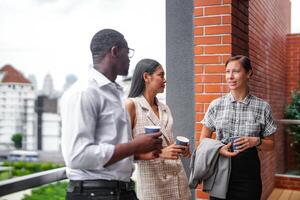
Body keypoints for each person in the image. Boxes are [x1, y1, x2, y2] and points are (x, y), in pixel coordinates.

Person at [61, 29, 163, 200]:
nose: (130, 59)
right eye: (127, 52)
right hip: (95, 193)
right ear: (115, 51)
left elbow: (112, 146)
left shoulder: (115, 92)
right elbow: (77, 156)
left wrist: (139, 152)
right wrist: (135, 146)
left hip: (120, 190)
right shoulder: (84, 92)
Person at [200, 55, 277, 200]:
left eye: (235, 71)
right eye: (227, 72)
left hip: (248, 175)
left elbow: (271, 145)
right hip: (220, 170)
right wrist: (219, 149)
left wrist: (255, 141)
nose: (230, 76)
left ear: (248, 73)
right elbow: (203, 140)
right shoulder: (216, 105)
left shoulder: (262, 107)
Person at [125, 58, 192, 200]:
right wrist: (161, 153)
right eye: (161, 75)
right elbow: (124, 151)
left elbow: (168, 141)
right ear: (146, 77)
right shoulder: (131, 106)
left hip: (178, 180)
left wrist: (181, 149)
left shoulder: (164, 108)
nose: (165, 80)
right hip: (152, 184)